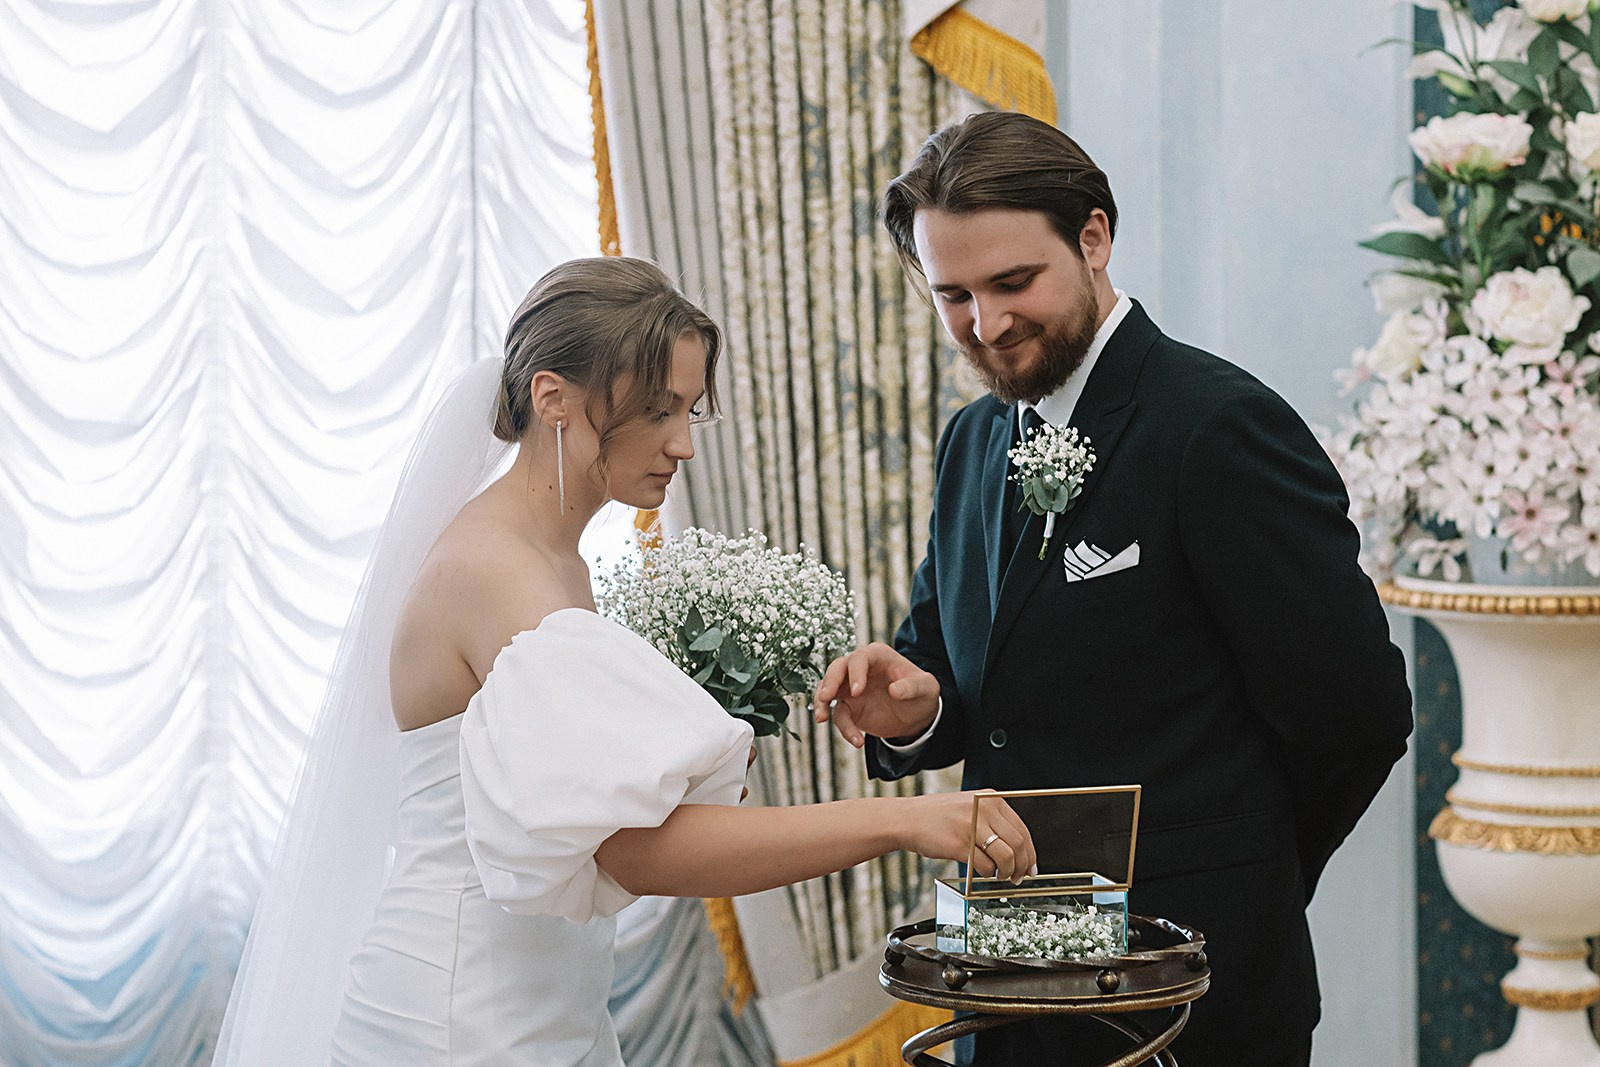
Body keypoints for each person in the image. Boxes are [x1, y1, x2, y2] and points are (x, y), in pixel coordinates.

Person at [214, 256, 1037, 1066]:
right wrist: (902, 820)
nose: (682, 443)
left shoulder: (550, 561)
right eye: (656, 409)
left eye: (688, 410)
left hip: (542, 998)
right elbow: (632, 851)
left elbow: (578, 816)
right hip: (466, 1013)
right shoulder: (496, 574)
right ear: (552, 398)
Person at [813, 112, 1414, 1066]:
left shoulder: (1217, 426)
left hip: (1189, 996)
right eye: (954, 295)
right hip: (1002, 988)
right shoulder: (972, 441)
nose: (987, 325)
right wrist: (920, 709)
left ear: (1093, 237)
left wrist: (1246, 868)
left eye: (1014, 282)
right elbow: (972, 677)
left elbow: (1358, 712)